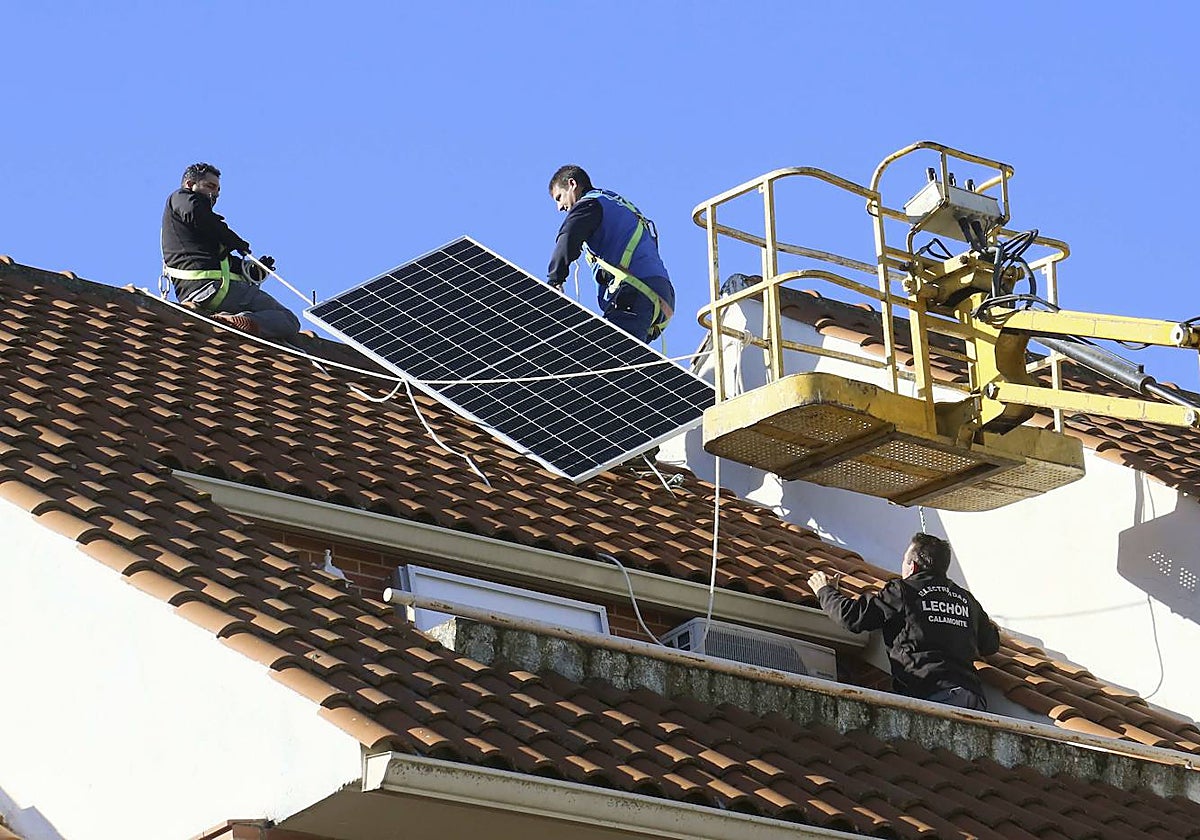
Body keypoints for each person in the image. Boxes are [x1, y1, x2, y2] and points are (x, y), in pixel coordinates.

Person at [807, 533, 1001, 711]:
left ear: (913, 566)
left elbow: (853, 617)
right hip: (973, 696)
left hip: (933, 692)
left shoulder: (903, 590)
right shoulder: (966, 599)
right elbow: (990, 644)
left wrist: (825, 591)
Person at [161, 162, 300, 340]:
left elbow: (213, 260)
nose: (215, 194)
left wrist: (250, 270)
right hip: (212, 288)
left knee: (280, 319)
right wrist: (230, 238)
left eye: (218, 190)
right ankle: (242, 321)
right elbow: (197, 213)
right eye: (210, 186)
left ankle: (226, 319)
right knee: (288, 320)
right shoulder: (180, 198)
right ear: (189, 185)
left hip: (203, 293)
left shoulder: (196, 232)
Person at [547, 165, 675, 343]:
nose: (559, 207)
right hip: (662, 297)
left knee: (611, 358)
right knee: (629, 360)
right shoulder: (613, 202)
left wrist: (555, 279)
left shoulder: (590, 205)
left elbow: (569, 236)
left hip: (634, 292)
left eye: (559, 197)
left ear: (572, 184)